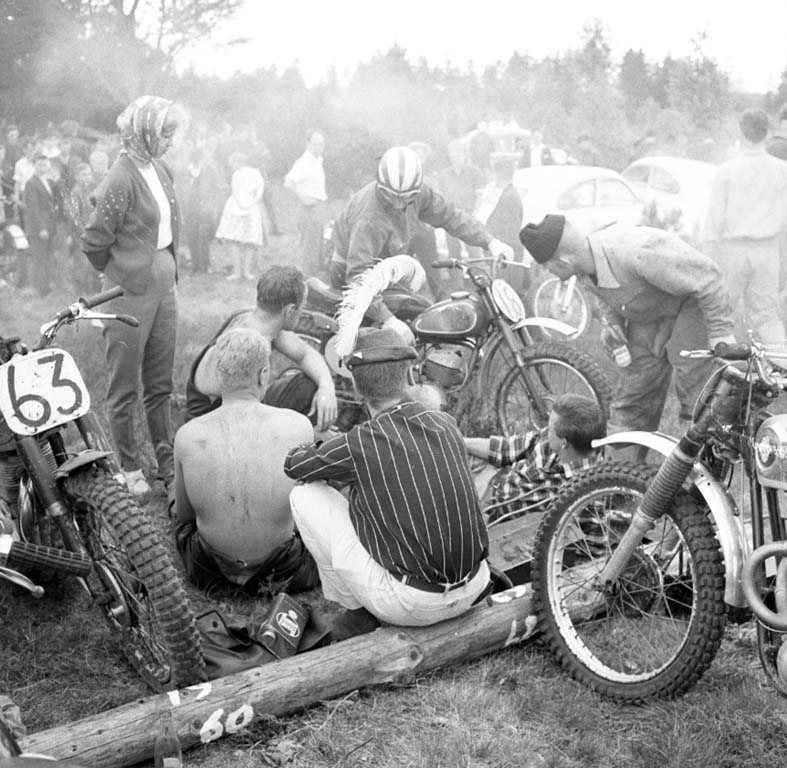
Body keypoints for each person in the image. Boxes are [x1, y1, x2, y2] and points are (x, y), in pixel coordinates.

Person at [284, 327, 491, 627]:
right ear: (408, 376)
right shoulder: (446, 423)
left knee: (303, 495)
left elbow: (294, 465)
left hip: (412, 604)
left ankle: (353, 612)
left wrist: (320, 441)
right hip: (476, 584)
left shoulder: (360, 442)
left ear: (357, 387)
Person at [520, 214, 736, 432]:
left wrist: (721, 333)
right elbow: (601, 290)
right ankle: (621, 452)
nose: (549, 273)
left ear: (564, 261)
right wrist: (611, 322)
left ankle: (702, 446)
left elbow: (710, 278)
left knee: (697, 397)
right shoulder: (582, 263)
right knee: (633, 398)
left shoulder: (641, 253)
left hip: (689, 309)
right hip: (649, 315)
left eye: (548, 267)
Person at [82, 94, 186, 498]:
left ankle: (165, 462)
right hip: (127, 292)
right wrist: (121, 271)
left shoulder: (159, 168)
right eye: (166, 134)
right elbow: (94, 242)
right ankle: (128, 466)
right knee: (124, 386)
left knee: (160, 383)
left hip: (164, 287)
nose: (171, 141)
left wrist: (163, 269)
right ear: (144, 132)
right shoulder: (119, 178)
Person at [174, 328, 320, 594]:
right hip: (284, 569)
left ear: (219, 376)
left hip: (209, 571)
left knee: (175, 507)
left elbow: (184, 515)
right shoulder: (299, 426)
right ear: (263, 374)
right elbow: (305, 507)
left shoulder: (187, 435)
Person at [329, 145, 515, 345]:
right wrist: (388, 319)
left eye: (406, 198)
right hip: (351, 272)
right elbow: (359, 277)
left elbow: (450, 216)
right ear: (381, 186)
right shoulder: (368, 219)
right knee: (375, 344)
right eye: (392, 196)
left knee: (419, 316)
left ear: (416, 190)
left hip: (388, 269)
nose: (399, 204)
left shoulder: (419, 194)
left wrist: (490, 241)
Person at [186, 264, 338, 430]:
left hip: (240, 410)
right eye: (302, 307)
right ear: (290, 310)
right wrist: (306, 430)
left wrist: (327, 387)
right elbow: (245, 417)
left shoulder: (260, 321)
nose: (302, 312)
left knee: (306, 385)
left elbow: (306, 354)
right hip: (212, 428)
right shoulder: (247, 348)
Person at [703, 108, 787, 345]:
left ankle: (725, 366)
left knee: (722, 315)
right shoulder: (782, 170)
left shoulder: (727, 171)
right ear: (767, 133)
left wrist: (708, 258)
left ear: (740, 132)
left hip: (733, 251)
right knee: (767, 317)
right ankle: (781, 366)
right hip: (768, 251)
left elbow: (714, 221)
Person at [465, 394, 605, 520]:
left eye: (550, 429)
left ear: (564, 443)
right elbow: (505, 448)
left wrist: (482, 487)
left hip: (485, 508)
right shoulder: (558, 439)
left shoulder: (582, 493)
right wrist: (458, 441)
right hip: (494, 472)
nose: (546, 430)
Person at [473, 152, 528, 291]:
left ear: (498, 174)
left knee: (507, 290)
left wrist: (496, 246)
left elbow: (508, 230)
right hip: (508, 251)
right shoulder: (508, 194)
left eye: (494, 173)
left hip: (507, 253)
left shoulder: (509, 198)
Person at [214, 152, 264, 281]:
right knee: (250, 240)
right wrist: (251, 204)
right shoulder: (257, 174)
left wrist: (241, 205)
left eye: (233, 163)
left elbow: (235, 191)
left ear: (238, 163)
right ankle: (247, 272)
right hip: (252, 208)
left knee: (234, 240)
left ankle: (238, 272)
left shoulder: (237, 174)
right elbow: (259, 194)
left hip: (235, 207)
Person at [283, 130, 327, 273]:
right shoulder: (304, 162)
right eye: (315, 144)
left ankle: (314, 279)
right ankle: (306, 279)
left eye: (321, 144)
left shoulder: (317, 160)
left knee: (318, 247)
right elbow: (288, 182)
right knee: (309, 250)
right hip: (309, 210)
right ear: (307, 144)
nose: (319, 148)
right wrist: (304, 199)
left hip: (318, 208)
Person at [23, 151, 57, 296]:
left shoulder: (49, 181)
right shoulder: (31, 183)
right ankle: (40, 289)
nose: (42, 167)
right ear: (34, 166)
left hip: (49, 224)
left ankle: (47, 286)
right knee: (39, 257)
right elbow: (33, 209)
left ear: (48, 166)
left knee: (48, 256)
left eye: (44, 165)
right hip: (38, 227)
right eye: (39, 165)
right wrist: (41, 228)